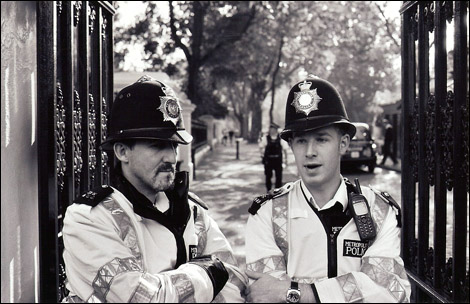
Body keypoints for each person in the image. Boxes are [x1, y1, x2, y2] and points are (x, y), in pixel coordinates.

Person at [62, 75, 247, 303]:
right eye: (157, 145)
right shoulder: (89, 219)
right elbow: (144, 298)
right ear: (122, 151)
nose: (171, 156)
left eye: (174, 144)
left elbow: (236, 281)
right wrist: (208, 271)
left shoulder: (193, 211)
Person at [245, 76, 410, 303]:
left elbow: (389, 293)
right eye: (301, 141)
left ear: (343, 144)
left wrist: (300, 293)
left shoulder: (379, 211)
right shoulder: (267, 214)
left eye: (321, 139)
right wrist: (355, 286)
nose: (310, 151)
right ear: (291, 145)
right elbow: (265, 295)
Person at [258, 122, 289, 192]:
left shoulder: (281, 139)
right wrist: (262, 156)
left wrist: (286, 160)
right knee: (268, 176)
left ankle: (277, 191)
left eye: (273, 129)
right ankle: (268, 191)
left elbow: (285, 149)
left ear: (276, 130)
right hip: (268, 160)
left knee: (279, 176)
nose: (272, 130)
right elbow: (261, 147)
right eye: (271, 129)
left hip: (278, 160)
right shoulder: (265, 138)